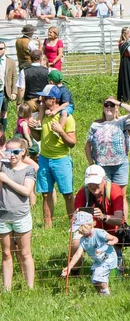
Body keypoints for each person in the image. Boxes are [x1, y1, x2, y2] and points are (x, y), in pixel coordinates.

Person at [36, 85, 76, 228]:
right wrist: (32, 127)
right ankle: (48, 225)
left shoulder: (66, 117)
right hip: (44, 159)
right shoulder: (44, 114)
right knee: (46, 194)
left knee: (68, 194)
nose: (41, 101)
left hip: (61, 160)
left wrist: (61, 132)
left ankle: (73, 225)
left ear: (53, 99)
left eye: (44, 98)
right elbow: (38, 137)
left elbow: (72, 143)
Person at [0, 137, 35, 290]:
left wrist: (6, 180)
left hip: (21, 216)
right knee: (6, 254)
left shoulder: (28, 169)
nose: (12, 155)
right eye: (8, 151)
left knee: (25, 253)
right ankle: (7, 289)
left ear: (23, 152)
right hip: (3, 217)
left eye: (15, 151)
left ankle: (29, 288)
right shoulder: (3, 166)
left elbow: (27, 191)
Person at [63, 210, 119, 295]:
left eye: (80, 229)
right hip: (98, 261)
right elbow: (78, 254)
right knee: (95, 281)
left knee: (100, 278)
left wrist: (112, 242)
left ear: (89, 225)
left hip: (108, 258)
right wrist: (69, 267)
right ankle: (101, 295)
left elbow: (114, 238)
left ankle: (106, 295)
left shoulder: (99, 233)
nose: (79, 232)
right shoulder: (83, 240)